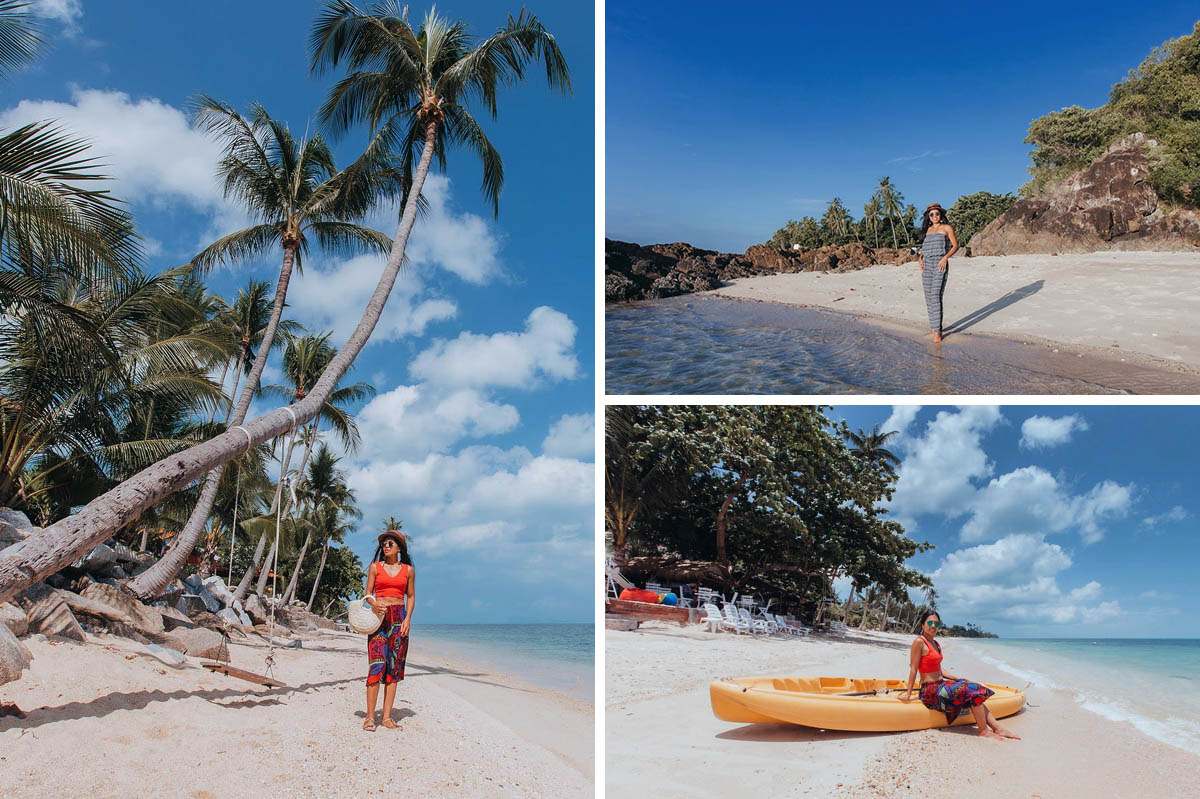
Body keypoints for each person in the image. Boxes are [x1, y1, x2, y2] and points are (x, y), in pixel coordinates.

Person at [899, 611, 1020, 740]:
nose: (933, 625)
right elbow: (913, 668)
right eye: (929, 622)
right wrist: (908, 693)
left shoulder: (936, 644)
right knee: (973, 690)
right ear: (923, 625)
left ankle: (998, 728)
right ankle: (983, 730)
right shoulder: (919, 642)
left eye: (936, 623)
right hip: (930, 691)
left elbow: (938, 669)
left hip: (941, 685)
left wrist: (957, 679)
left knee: (972, 687)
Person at [362, 528, 415, 731]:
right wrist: (373, 604)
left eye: (390, 543)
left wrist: (408, 618)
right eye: (384, 543)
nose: (386, 546)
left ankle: (386, 717)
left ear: (399, 548)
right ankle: (369, 717)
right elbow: (367, 594)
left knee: (393, 668)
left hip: (399, 619)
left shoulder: (408, 570)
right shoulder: (375, 567)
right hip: (379, 618)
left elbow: (410, 596)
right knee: (376, 664)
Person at [918, 203, 958, 343]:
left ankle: (938, 332)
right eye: (932, 214)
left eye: (937, 213)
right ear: (928, 217)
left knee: (935, 295)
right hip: (927, 265)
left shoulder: (947, 228)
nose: (934, 216)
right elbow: (924, 248)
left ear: (941, 215)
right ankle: (933, 326)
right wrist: (920, 259)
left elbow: (955, 246)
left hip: (940, 264)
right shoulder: (927, 230)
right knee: (929, 297)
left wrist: (945, 258)